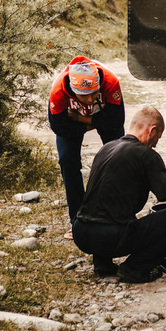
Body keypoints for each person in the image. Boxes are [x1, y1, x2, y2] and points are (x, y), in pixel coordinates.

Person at [72, 105, 166, 284]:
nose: (156, 143)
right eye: (158, 137)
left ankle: (103, 263)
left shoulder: (106, 148)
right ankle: (134, 269)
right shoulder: (145, 155)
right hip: (111, 237)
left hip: (81, 233)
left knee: (110, 211)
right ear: (152, 130)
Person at [48, 56, 125, 230]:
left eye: (94, 93)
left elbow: (116, 121)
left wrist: (80, 118)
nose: (90, 99)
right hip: (87, 119)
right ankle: (77, 219)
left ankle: (119, 213)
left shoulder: (111, 81)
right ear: (72, 90)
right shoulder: (58, 90)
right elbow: (60, 128)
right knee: (68, 161)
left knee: (120, 159)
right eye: (84, 95)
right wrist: (96, 122)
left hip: (82, 118)